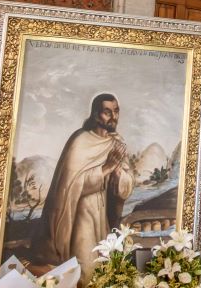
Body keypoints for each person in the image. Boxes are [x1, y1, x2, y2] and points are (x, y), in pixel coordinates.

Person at [37, 94, 134, 284]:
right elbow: (71, 184)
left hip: (103, 215)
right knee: (86, 270)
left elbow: (127, 183)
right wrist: (106, 168)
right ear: (96, 115)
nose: (113, 116)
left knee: (104, 268)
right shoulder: (80, 141)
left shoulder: (117, 143)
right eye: (107, 112)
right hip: (80, 216)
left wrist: (119, 175)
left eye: (116, 111)